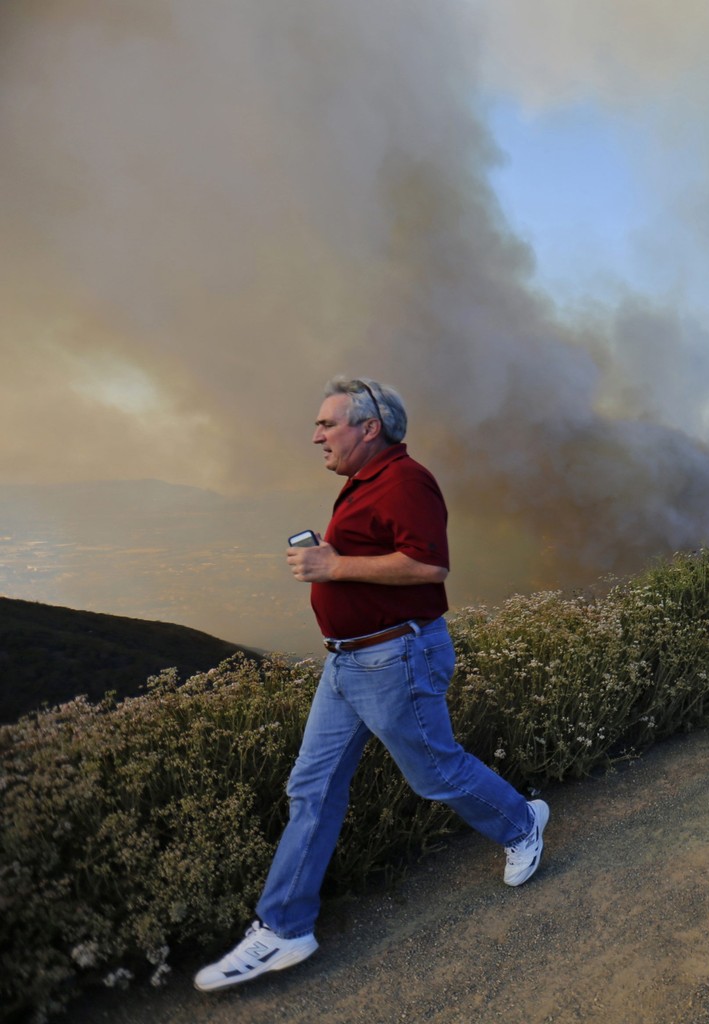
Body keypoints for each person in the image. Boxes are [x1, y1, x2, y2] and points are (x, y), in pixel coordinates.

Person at [196, 377, 549, 992]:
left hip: (394, 659)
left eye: (327, 424)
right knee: (312, 786)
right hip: (347, 663)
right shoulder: (363, 485)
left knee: (435, 772)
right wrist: (335, 563)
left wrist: (332, 564)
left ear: (369, 427)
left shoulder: (406, 480)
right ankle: (284, 928)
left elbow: (429, 564)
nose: (316, 436)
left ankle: (523, 825)